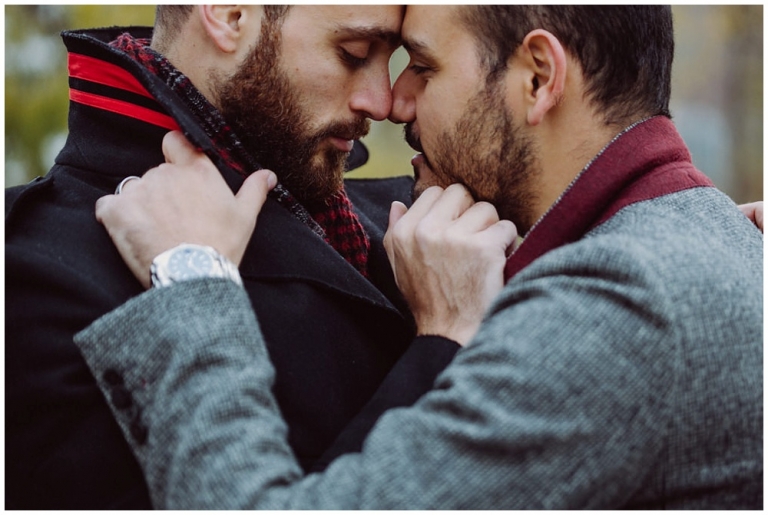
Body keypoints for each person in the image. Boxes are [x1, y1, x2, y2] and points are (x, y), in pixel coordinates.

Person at [74, 5, 762, 509]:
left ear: (538, 77)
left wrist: (191, 278)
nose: (395, 103)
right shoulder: (683, 250)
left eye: (423, 67)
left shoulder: (623, 306)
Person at [5, 5, 463, 509]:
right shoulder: (29, 274)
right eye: (352, 54)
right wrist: (443, 343)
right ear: (228, 15)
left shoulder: (413, 224)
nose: (382, 102)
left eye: (394, 59)